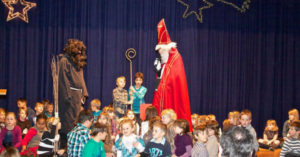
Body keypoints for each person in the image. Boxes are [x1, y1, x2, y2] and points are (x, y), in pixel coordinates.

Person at [152, 19, 192, 129]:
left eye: (161, 51)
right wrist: (158, 72)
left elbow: (174, 79)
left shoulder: (175, 60)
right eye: (159, 52)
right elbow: (159, 82)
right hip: (162, 96)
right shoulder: (164, 64)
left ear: (167, 50)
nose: (160, 54)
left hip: (170, 95)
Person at [58, 39, 89, 149]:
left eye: (81, 52)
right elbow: (63, 80)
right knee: (68, 123)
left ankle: (74, 146)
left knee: (76, 121)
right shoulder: (64, 61)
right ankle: (66, 149)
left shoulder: (78, 62)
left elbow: (81, 80)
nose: (80, 54)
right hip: (69, 97)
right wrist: (67, 96)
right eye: (78, 51)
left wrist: (83, 94)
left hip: (77, 97)